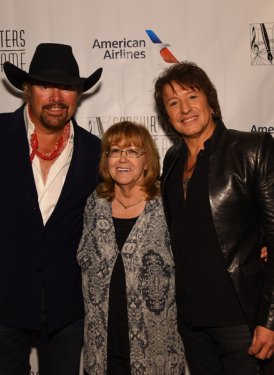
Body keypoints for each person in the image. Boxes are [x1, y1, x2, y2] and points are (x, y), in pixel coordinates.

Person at [154, 61, 274, 375]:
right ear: (167, 115)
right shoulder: (172, 158)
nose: (185, 109)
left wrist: (270, 320)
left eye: (192, 97)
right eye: (173, 103)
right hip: (192, 322)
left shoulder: (251, 149)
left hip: (242, 320)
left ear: (210, 100)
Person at [0, 43, 102, 375]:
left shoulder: (96, 153)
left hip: (66, 306)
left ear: (78, 94)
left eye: (67, 87)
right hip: (4, 301)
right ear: (27, 89)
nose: (56, 96)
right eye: (45, 85)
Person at [77, 121, 184, 375]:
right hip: (102, 349)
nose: (122, 158)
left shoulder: (167, 202)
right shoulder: (94, 204)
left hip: (156, 353)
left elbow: (198, 250)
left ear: (147, 160)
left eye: (133, 151)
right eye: (114, 150)